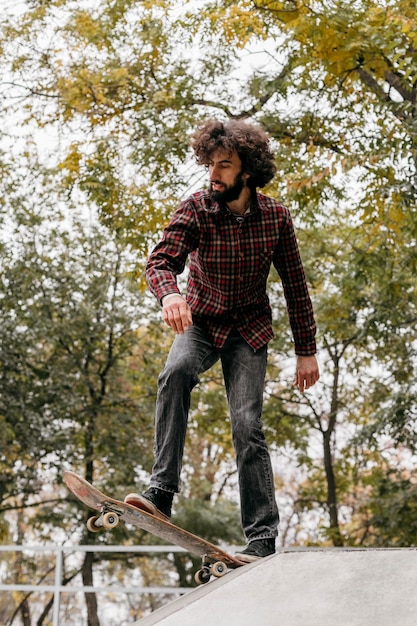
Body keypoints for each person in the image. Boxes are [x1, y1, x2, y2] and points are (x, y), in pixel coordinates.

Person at [125, 118, 319, 562]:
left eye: (224, 165)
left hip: (247, 330)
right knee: (175, 372)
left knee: (246, 424)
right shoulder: (196, 208)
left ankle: (262, 537)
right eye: (210, 164)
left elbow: (295, 286)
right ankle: (161, 492)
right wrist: (170, 294)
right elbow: (160, 260)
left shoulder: (276, 218)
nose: (213, 174)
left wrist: (306, 351)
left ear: (247, 171)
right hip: (201, 320)